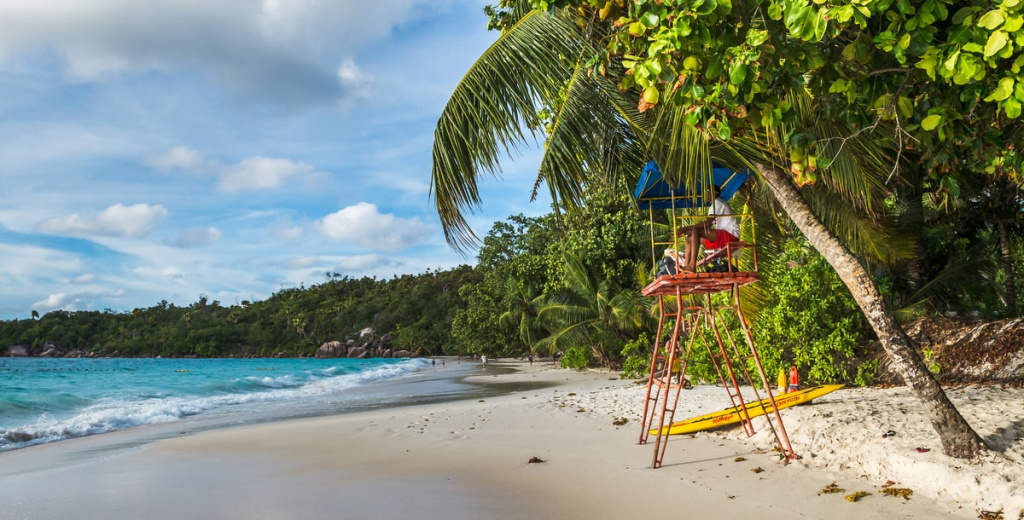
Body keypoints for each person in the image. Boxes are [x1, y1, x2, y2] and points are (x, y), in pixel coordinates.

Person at [674, 196, 741, 273]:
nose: (706, 194)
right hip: (723, 235)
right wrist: (686, 232)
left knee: (695, 231)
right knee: (690, 236)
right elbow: (706, 227)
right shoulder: (713, 206)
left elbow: (707, 224)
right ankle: (687, 267)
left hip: (731, 234)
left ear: (715, 193)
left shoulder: (718, 202)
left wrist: (685, 229)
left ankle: (692, 266)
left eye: (708, 191)